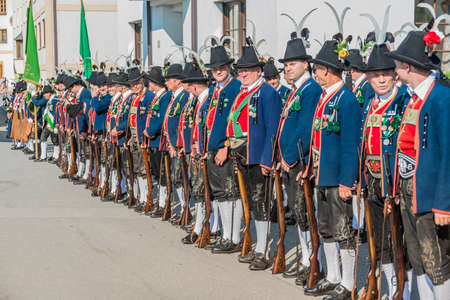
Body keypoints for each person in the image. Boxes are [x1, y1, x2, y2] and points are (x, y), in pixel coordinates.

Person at [388, 30, 450, 300]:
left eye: (397, 66)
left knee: (437, 262)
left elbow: (447, 155)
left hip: (429, 197)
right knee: (417, 257)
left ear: (408, 66)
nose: (394, 72)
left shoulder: (442, 99)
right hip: (409, 191)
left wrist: (443, 204)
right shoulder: (413, 97)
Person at [302, 39, 361, 300]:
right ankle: (333, 276)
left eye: (318, 69)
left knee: (343, 230)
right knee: (325, 227)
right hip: (322, 174)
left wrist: (347, 181)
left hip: (338, 177)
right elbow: (316, 138)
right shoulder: (326, 98)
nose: (315, 73)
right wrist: (309, 168)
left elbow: (350, 145)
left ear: (327, 70)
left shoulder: (346, 100)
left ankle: (347, 283)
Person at [360, 41, 410, 300]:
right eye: (375, 75)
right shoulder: (369, 103)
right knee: (378, 239)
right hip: (372, 178)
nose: (380, 79)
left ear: (394, 75)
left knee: (398, 240)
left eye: (385, 74)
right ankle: (390, 288)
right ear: (368, 78)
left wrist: (395, 189)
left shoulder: (403, 101)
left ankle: (403, 290)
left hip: (395, 182)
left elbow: (405, 147)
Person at [226, 45, 282, 270]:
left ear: (259, 71)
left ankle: (262, 250)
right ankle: (256, 245)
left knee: (261, 203)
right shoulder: (242, 92)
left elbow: (272, 128)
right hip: (242, 155)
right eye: (240, 71)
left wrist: (267, 159)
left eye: (248, 70)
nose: (243, 74)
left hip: (258, 156)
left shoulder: (267, 93)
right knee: (250, 201)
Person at [275, 31, 322, 283]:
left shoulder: (310, 90)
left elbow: (304, 128)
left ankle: (313, 260)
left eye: (292, 64)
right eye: (286, 65)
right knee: (299, 213)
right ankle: (306, 257)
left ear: (305, 64)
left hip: (300, 161)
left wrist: (291, 156)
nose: (287, 68)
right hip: (290, 161)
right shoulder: (296, 89)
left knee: (306, 215)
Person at [143, 67, 172, 216]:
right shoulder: (157, 96)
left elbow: (161, 119)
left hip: (159, 140)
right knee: (157, 173)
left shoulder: (165, 97)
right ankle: (161, 203)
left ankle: (164, 204)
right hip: (153, 142)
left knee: (162, 175)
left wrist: (150, 130)